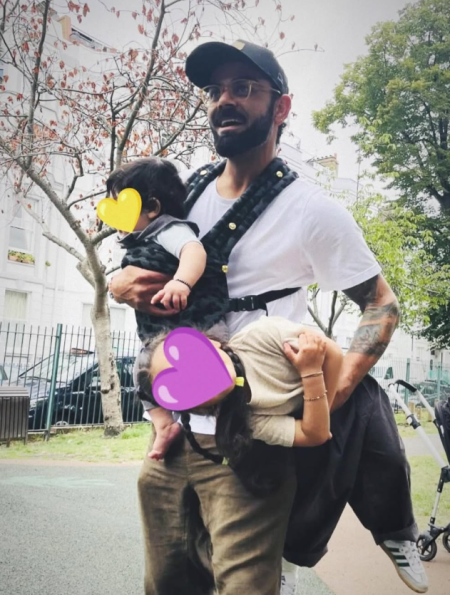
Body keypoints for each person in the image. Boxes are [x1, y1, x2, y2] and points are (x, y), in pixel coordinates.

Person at [111, 40, 428, 594]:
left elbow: (382, 304)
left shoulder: (312, 210)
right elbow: (147, 251)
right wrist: (123, 284)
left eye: (243, 88)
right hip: (177, 431)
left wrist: (330, 392)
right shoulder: (187, 192)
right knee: (167, 584)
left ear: (281, 108)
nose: (224, 100)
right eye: (215, 90)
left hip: (250, 439)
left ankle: (371, 534)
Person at [107, 157, 231, 460]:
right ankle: (164, 425)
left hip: (198, 325)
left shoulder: (168, 229)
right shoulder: (141, 238)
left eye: (122, 205)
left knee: (207, 379)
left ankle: (218, 424)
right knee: (142, 372)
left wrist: (181, 282)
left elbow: (193, 251)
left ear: (152, 207)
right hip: (163, 334)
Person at [136, 317, 343, 465]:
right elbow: (315, 434)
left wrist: (322, 408)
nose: (200, 374)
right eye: (185, 385)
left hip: (347, 395)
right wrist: (311, 374)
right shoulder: (245, 419)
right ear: (196, 408)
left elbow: (333, 352)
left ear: (211, 342)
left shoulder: (261, 336)